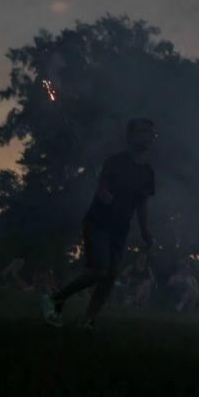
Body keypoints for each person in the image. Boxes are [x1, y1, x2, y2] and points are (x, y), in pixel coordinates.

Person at [42, 118, 157, 328]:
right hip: (98, 223)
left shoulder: (148, 172)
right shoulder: (115, 161)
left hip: (120, 230)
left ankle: (88, 320)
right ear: (130, 137)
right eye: (143, 132)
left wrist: (145, 230)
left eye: (151, 133)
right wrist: (103, 193)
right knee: (99, 271)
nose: (148, 137)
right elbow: (102, 184)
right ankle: (55, 298)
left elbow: (142, 203)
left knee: (111, 277)